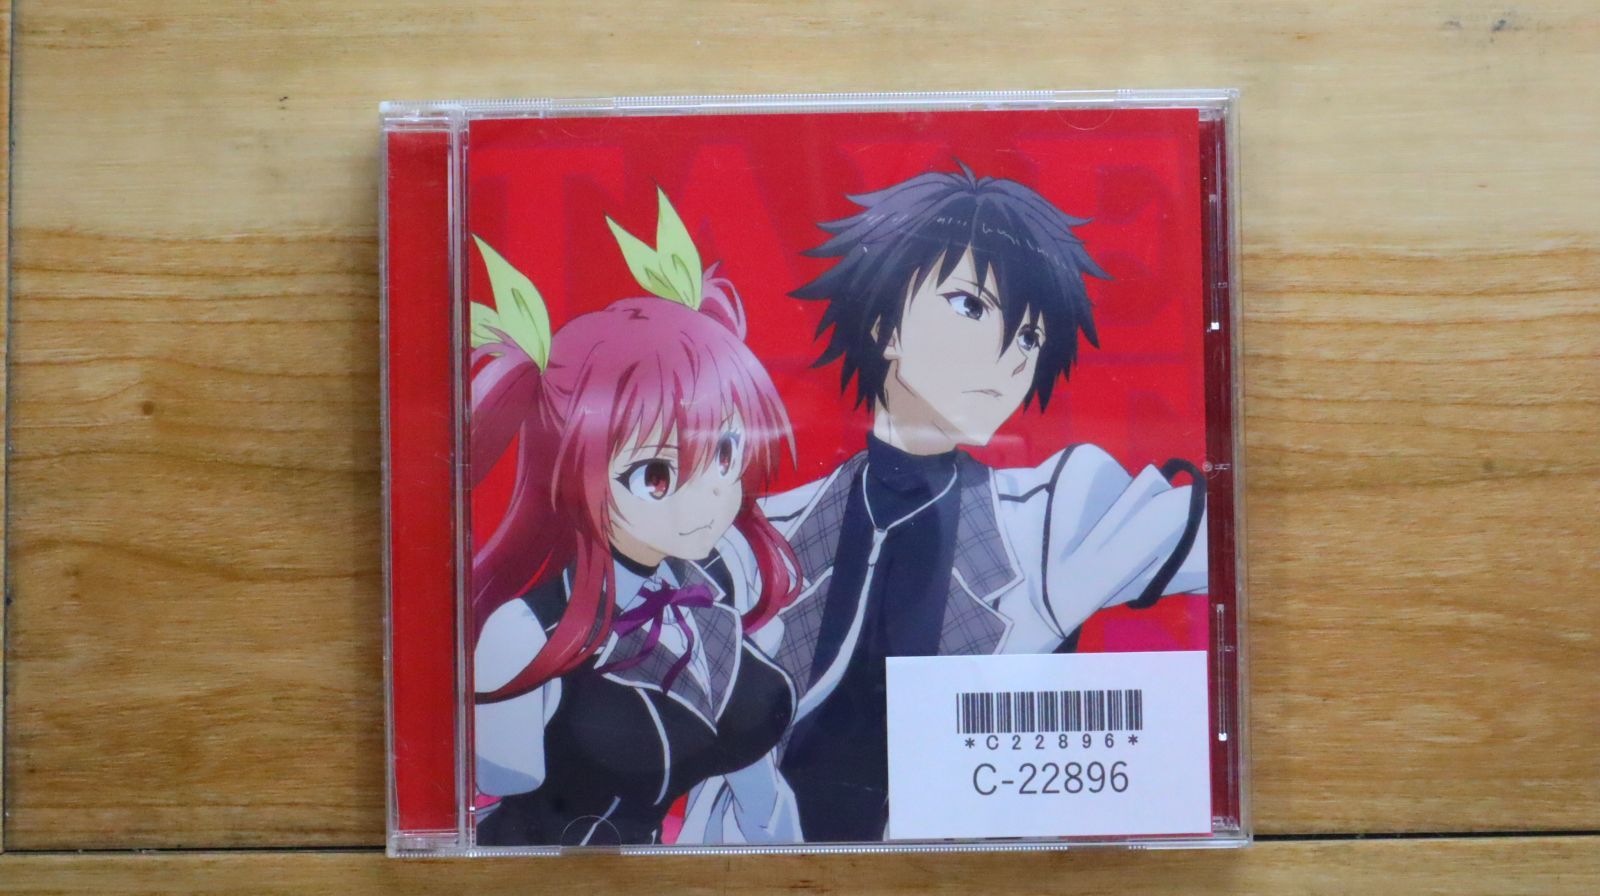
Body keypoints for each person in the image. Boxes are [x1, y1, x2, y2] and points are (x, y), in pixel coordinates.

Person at [701, 164, 1209, 843]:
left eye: (1029, 338)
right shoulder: (767, 535)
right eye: (970, 306)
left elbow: (1238, 547)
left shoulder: (1050, 519)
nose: (1008, 359)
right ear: (884, 325)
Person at [469, 191, 804, 847]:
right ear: (574, 474)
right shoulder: (523, 631)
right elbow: (504, 783)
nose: (709, 497)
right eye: (656, 475)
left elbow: (762, 795)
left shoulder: (716, 578)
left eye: (725, 453)